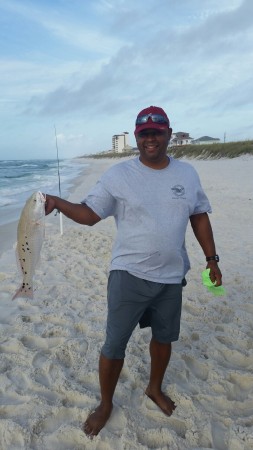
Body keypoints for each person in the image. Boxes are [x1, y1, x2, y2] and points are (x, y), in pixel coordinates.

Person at [44, 106, 222, 439]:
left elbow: (199, 216)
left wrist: (212, 260)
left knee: (164, 338)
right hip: (129, 275)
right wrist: (58, 202)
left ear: (169, 134)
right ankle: (106, 403)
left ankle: (154, 388)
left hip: (171, 277)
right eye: (144, 134)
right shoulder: (118, 176)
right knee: (114, 344)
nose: (151, 138)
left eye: (157, 132)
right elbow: (89, 214)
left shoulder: (187, 174)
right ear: (136, 137)